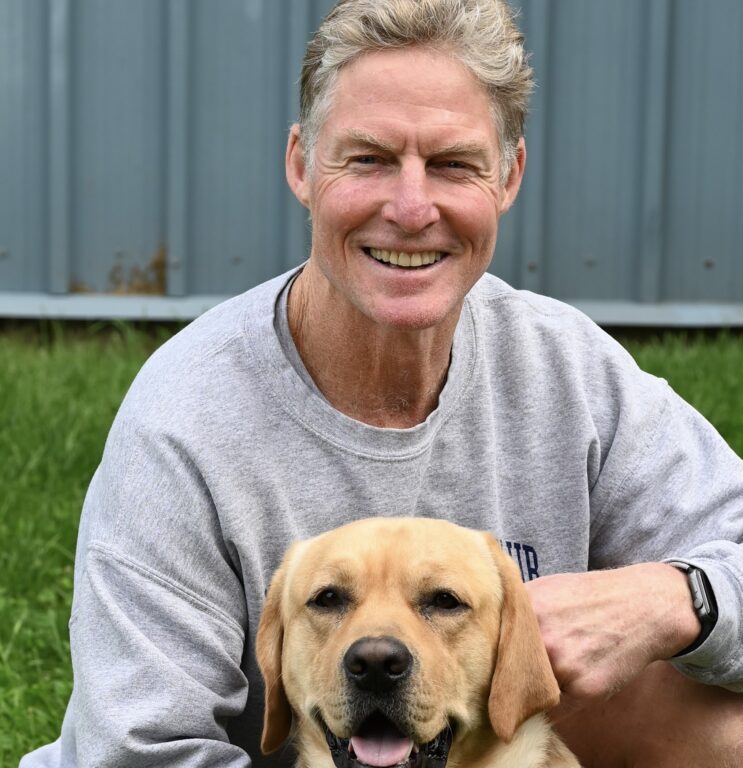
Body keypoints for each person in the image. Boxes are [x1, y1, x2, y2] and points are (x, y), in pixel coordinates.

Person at [21, 1, 743, 766]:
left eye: (452, 164)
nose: (410, 208)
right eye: (367, 159)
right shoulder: (184, 422)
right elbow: (137, 754)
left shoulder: (566, 371)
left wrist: (678, 600)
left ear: (508, 176)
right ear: (301, 165)